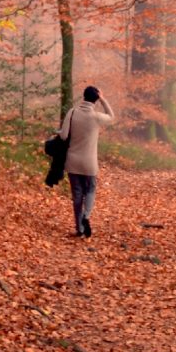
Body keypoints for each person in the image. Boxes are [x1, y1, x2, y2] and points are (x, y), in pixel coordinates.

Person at [56, 84, 115, 239]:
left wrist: (56, 134)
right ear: (95, 99)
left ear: (83, 96)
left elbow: (63, 136)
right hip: (89, 164)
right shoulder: (96, 117)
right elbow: (111, 116)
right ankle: (86, 216)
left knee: (77, 194)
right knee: (90, 190)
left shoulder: (72, 112)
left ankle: (79, 229)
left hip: (73, 161)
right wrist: (103, 99)